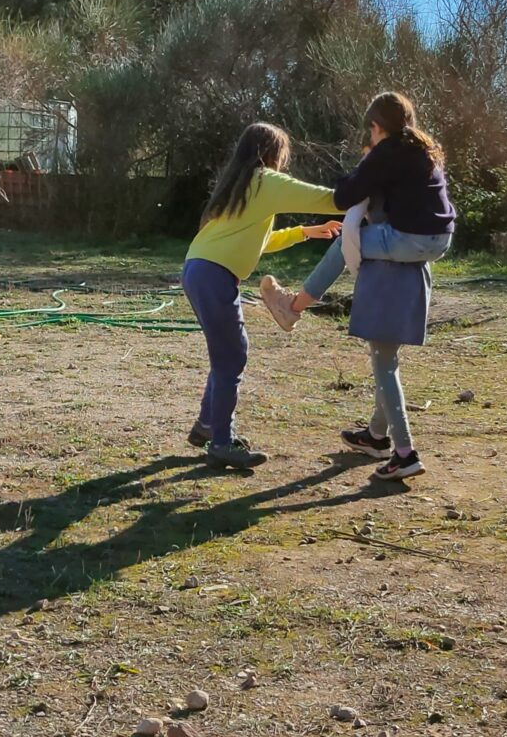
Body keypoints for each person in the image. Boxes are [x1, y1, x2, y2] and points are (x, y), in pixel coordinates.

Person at [261, 92, 456, 480]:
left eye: (370, 128)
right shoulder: (423, 149)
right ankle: (376, 436)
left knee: (344, 243)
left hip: (411, 239)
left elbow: (345, 195)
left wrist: (357, 172)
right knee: (387, 358)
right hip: (435, 240)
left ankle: (294, 306)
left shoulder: (389, 150)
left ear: (377, 125)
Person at [183, 123, 342, 469]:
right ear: (272, 152)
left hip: (199, 270)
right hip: (214, 275)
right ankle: (222, 442)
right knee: (233, 356)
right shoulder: (265, 180)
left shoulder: (239, 187)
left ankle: (207, 426)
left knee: (225, 355)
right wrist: (363, 198)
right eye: (283, 152)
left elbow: (259, 241)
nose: (285, 160)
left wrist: (305, 232)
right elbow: (323, 197)